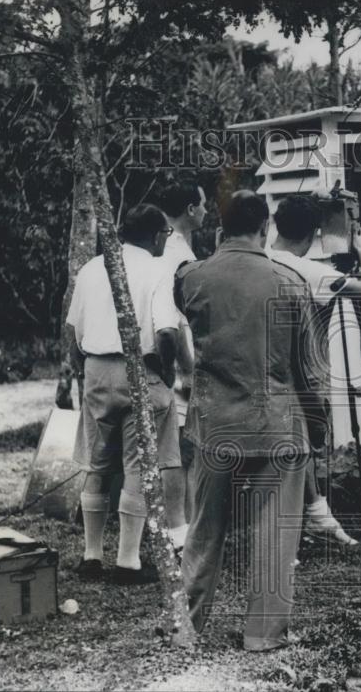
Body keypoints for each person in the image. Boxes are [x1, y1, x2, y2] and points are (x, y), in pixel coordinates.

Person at [176, 190, 321, 652]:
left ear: (220, 228)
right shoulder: (290, 282)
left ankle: (187, 626)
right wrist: (317, 428)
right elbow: (309, 370)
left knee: (203, 529)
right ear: (266, 229)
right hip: (278, 424)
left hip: (215, 422)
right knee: (275, 536)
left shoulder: (192, 277)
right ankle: (263, 635)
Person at [67, 204, 190, 585]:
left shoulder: (92, 267)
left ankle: (90, 555)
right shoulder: (158, 269)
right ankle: (127, 560)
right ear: (157, 236)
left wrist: (80, 372)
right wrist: (168, 372)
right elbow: (167, 332)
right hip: (139, 368)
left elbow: (72, 329)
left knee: (97, 463)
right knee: (140, 464)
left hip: (96, 369)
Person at [269, 194, 361, 547]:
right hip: (300, 371)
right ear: (312, 234)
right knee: (303, 445)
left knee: (295, 446)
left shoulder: (260, 258)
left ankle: (316, 515)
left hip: (264, 367)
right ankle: (295, 529)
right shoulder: (311, 271)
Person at [155, 181, 208, 551]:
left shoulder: (167, 246)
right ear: (190, 209)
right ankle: (181, 527)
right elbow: (176, 314)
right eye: (203, 205)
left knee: (177, 446)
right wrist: (187, 366)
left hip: (166, 347)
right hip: (177, 349)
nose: (207, 211)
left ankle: (182, 524)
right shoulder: (177, 255)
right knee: (181, 449)